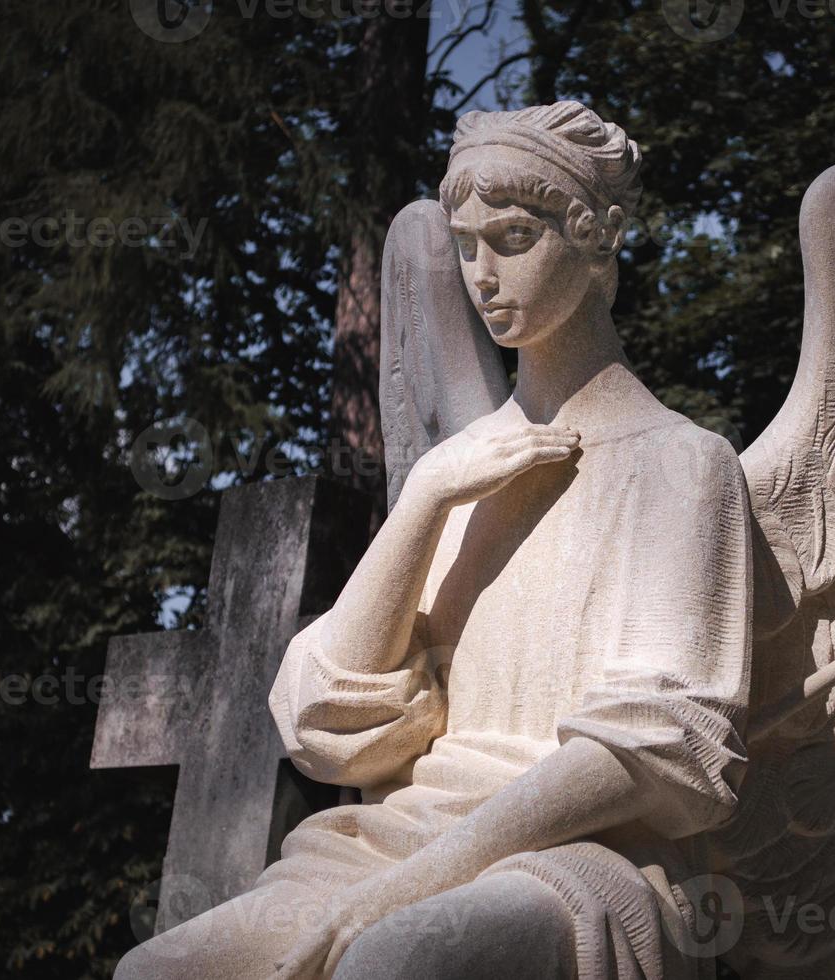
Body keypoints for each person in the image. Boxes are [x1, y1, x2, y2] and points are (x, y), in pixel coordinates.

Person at [116, 101, 754, 980]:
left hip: (582, 857)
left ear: (599, 237)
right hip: (394, 837)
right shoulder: (463, 468)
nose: (482, 274)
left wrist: (422, 882)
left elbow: (652, 747)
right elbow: (330, 727)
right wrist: (424, 497)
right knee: (158, 973)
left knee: (398, 959)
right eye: (464, 244)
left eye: (516, 237)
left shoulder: (684, 466)